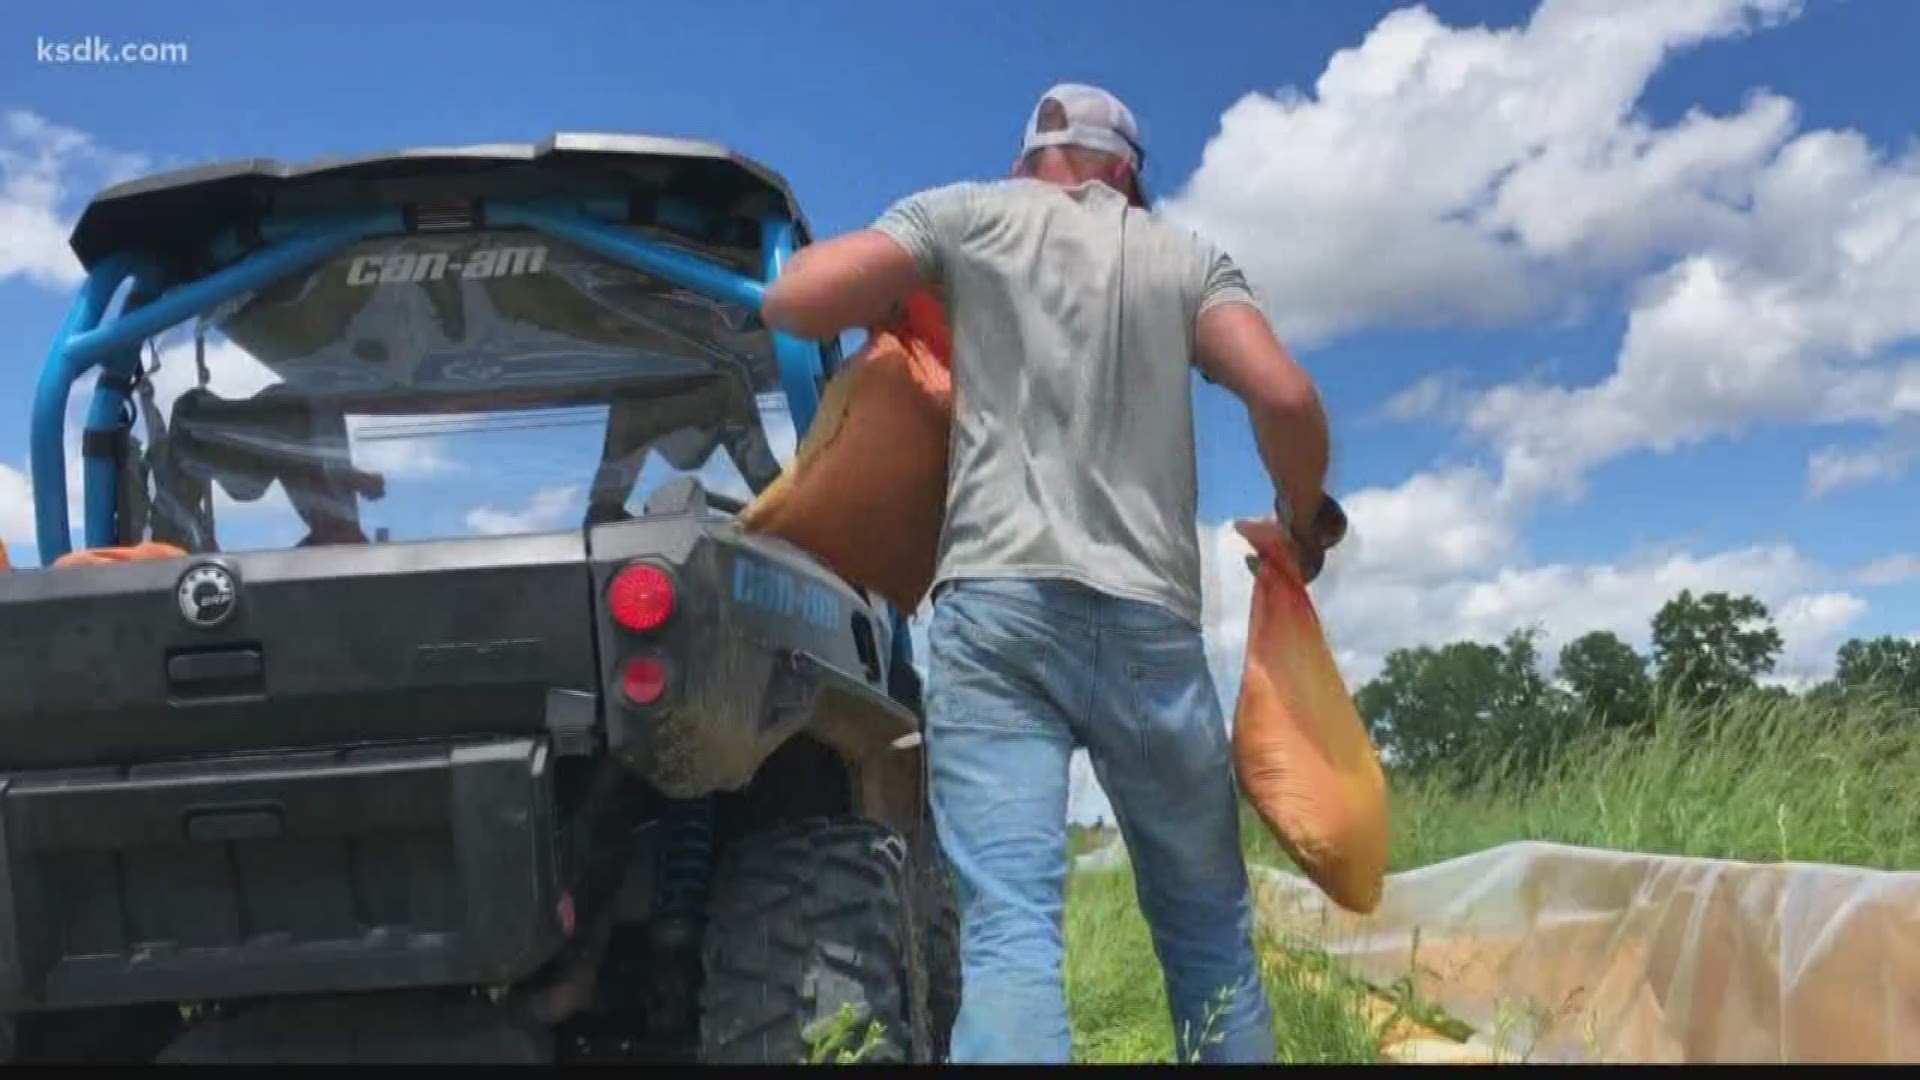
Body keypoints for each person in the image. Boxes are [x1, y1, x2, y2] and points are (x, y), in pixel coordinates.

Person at [761, 83, 1331, 1064]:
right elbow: (1282, 393)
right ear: (1125, 171)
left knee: (1011, 937)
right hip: (1150, 624)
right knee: (1210, 943)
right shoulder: (1185, 258)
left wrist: (915, 284)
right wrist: (1300, 515)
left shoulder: (965, 216)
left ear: (1034, 159)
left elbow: (797, 295)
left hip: (999, 615)